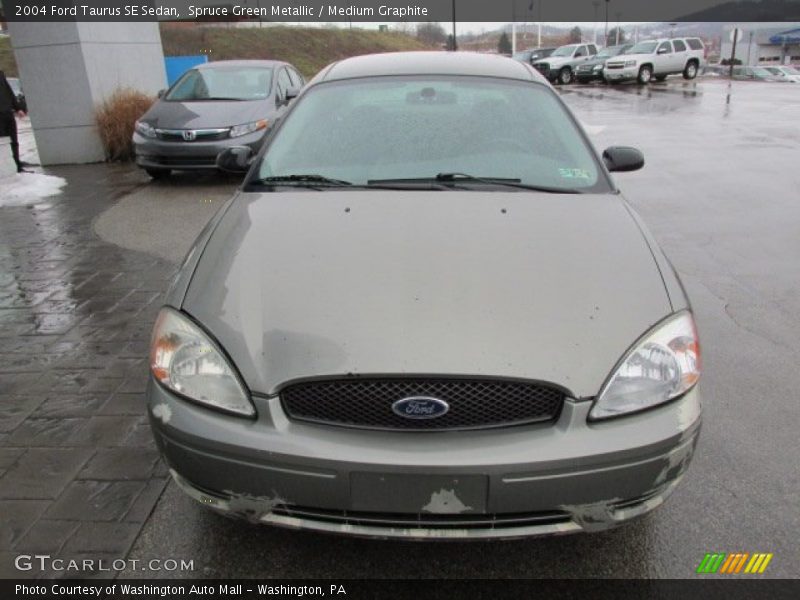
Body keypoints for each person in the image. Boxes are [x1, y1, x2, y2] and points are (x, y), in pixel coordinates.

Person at [0, 70, 31, 173]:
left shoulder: (0, 74)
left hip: (7, 112)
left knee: (13, 140)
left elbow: (9, 91)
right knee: (2, 142)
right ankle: (6, 167)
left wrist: (18, 108)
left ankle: (17, 164)